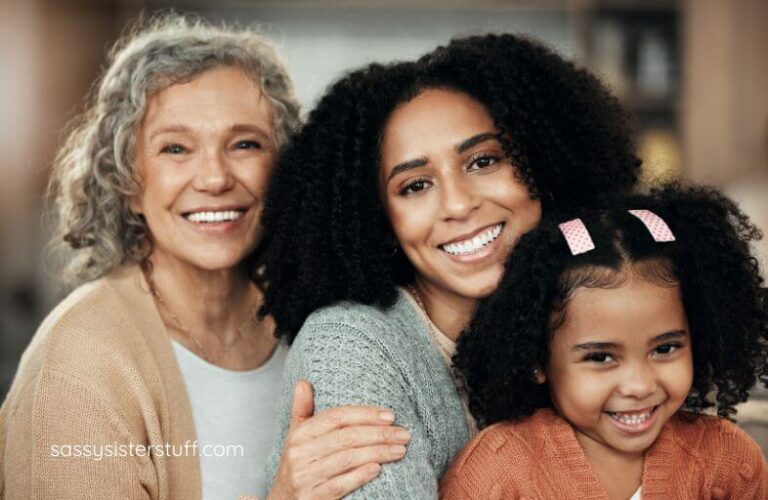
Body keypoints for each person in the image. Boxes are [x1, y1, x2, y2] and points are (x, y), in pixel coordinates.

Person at [0, 14, 409, 499]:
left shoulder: (312, 320)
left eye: (245, 144)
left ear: (283, 170)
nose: (214, 178)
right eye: (176, 148)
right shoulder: (78, 363)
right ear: (128, 183)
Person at [261, 33, 641, 497]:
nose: (459, 205)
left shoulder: (587, 313)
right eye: (415, 186)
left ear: (544, 164)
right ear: (379, 220)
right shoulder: (352, 348)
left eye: (483, 161)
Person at [441, 185, 768, 499]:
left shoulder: (728, 461)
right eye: (600, 357)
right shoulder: (494, 475)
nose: (639, 385)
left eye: (665, 349)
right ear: (537, 358)